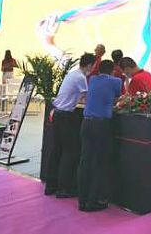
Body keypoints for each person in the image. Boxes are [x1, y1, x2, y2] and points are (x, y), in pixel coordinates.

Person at [45, 53, 96, 198]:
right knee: (70, 152)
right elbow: (87, 98)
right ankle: (63, 188)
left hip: (58, 114)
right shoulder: (81, 78)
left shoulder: (72, 74)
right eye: (93, 66)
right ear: (89, 65)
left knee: (57, 149)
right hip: (66, 117)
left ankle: (51, 185)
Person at [78, 60, 122, 212]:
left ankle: (82, 200)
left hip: (86, 123)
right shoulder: (116, 81)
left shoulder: (92, 79)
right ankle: (93, 201)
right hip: (101, 125)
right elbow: (117, 98)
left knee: (85, 161)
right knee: (99, 162)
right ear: (113, 70)